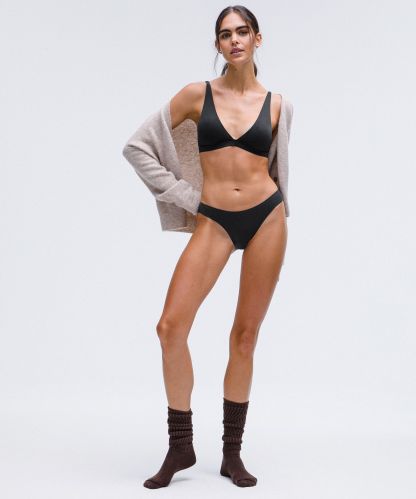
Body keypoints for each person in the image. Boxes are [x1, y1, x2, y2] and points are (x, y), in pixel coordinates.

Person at [122, 5, 294, 489]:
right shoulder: (196, 95)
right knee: (170, 327)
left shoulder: (278, 105)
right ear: (218, 45)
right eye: (224, 34)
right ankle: (181, 444)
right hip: (214, 218)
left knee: (244, 336)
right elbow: (137, 146)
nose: (234, 40)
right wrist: (186, 198)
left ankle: (232, 454)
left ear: (257, 38)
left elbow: (278, 168)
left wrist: (275, 210)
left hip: (267, 218)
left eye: (242, 31)